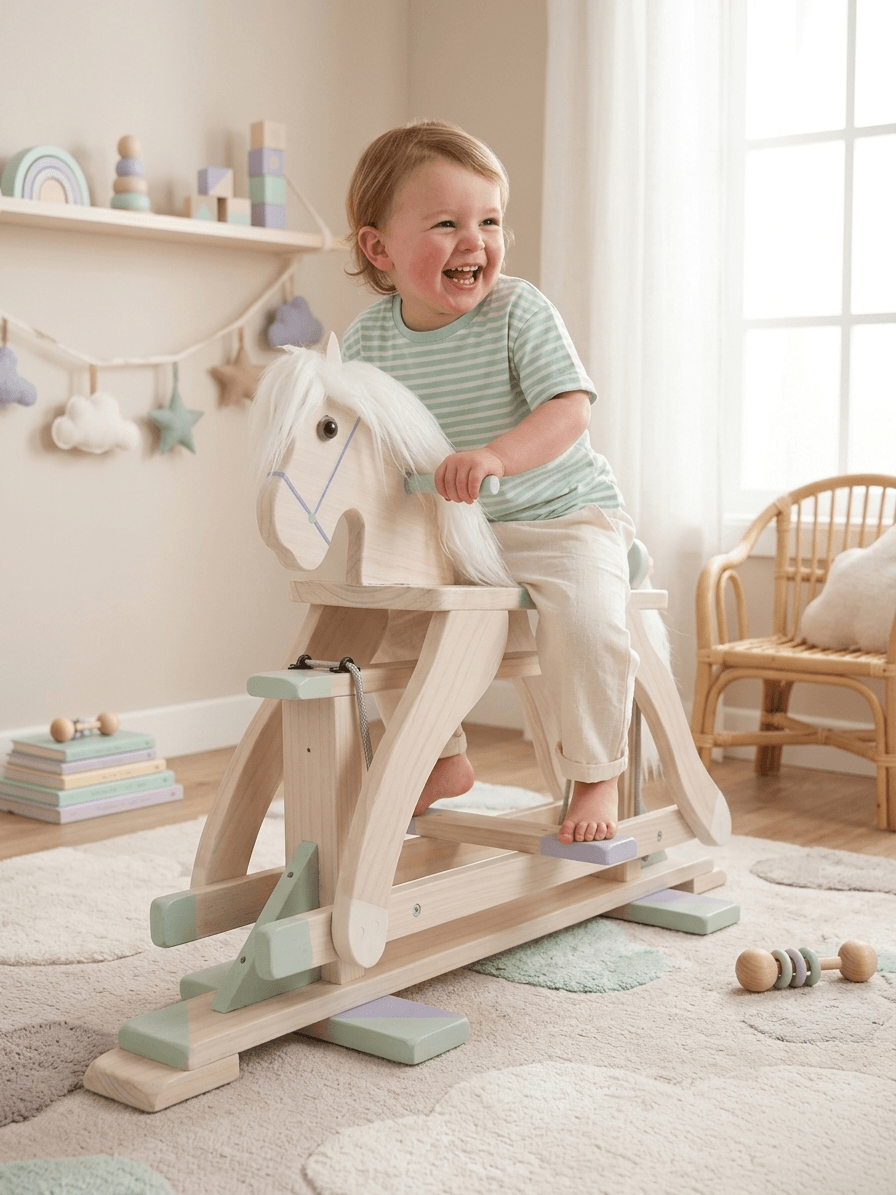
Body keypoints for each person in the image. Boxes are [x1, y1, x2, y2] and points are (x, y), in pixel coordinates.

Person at [341, 120, 637, 845]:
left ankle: (597, 769)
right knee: (393, 620)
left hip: (561, 516)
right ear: (378, 247)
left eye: (490, 220)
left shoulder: (518, 311)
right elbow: (357, 440)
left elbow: (569, 410)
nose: (475, 240)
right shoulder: (368, 341)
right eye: (446, 223)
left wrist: (498, 455)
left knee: (589, 618)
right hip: (454, 532)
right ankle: (442, 759)